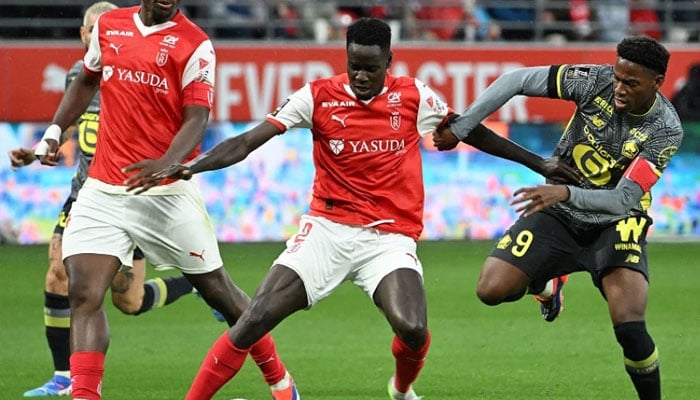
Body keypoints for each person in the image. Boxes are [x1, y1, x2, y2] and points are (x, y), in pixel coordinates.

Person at [137, 17, 582, 400]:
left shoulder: (414, 97)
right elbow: (250, 140)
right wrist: (191, 166)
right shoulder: (317, 96)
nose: (361, 77)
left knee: (412, 328)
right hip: (327, 230)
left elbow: (471, 132)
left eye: (371, 69)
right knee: (253, 319)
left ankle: (401, 389)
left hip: (388, 239)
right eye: (354, 67)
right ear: (345, 59)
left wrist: (538, 161)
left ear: (389, 63)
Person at [26, 1, 298, 400]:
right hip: (102, 188)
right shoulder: (110, 26)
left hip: (166, 192)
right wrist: (53, 132)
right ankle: (85, 394)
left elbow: (196, 118)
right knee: (83, 293)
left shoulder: (196, 44)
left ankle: (280, 380)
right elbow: (86, 81)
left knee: (219, 292)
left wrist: (168, 163)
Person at [435, 35, 683, 400]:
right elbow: (515, 80)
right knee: (490, 290)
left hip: (616, 222)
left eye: (631, 83)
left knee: (629, 326)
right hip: (559, 213)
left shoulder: (665, 129)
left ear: (656, 83)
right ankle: (548, 285)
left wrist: (564, 191)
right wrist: (461, 126)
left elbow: (621, 200)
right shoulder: (591, 80)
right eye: (617, 77)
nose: (618, 88)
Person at [8, 2, 199, 397]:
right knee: (58, 274)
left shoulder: (141, 72)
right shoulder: (79, 75)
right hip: (87, 195)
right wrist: (39, 148)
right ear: (84, 36)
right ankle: (65, 378)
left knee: (128, 300)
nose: (102, 36)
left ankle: (193, 285)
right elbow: (72, 120)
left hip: (134, 194)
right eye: (93, 30)